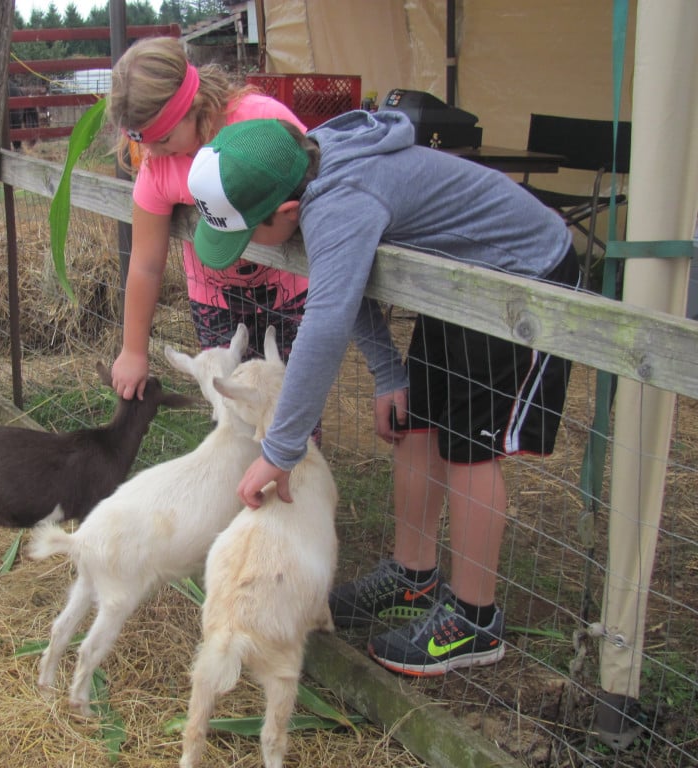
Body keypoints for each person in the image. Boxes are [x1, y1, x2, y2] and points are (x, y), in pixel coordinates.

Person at [185, 113, 578, 677]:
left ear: (288, 212)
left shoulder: (339, 202)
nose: (245, 251)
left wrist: (279, 450)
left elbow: (325, 318)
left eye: (247, 234)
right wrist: (390, 372)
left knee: (470, 447)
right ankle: (413, 577)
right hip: (454, 281)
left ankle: (475, 619)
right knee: (417, 419)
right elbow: (348, 277)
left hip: (519, 283)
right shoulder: (310, 169)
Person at [106, 37, 309, 401]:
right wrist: (133, 350)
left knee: (290, 409)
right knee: (230, 410)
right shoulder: (159, 165)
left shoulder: (262, 124)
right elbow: (146, 263)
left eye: (162, 138)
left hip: (287, 293)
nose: (151, 152)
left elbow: (315, 191)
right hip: (216, 300)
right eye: (143, 142)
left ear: (191, 106)